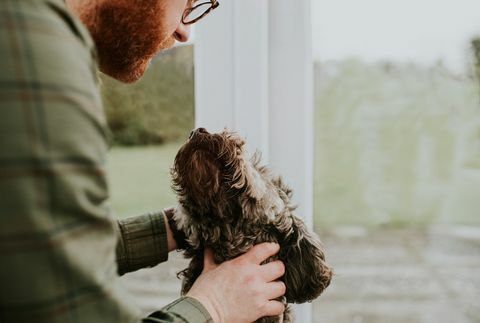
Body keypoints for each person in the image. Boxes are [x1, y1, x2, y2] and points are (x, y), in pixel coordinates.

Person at [0, 0, 286, 322]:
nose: (184, 31)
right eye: (190, 3)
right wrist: (214, 306)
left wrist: (178, 227)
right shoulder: (38, 52)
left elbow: (36, 259)